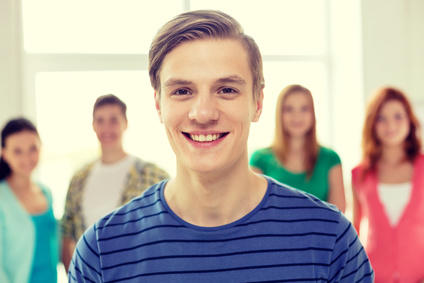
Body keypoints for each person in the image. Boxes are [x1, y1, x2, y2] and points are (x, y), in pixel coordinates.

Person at [68, 10, 373, 282]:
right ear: (158, 104)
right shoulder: (101, 253)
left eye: (226, 89)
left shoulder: (331, 240)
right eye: (182, 91)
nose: (203, 113)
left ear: (258, 102)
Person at [61, 94, 169, 271]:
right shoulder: (79, 179)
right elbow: (68, 235)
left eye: (113, 120)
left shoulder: (152, 175)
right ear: (93, 126)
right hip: (91, 275)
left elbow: (166, 232)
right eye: (100, 121)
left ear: (125, 123)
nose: (106, 128)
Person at [352, 87, 424, 283]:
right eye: (381, 118)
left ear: (410, 120)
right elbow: (355, 231)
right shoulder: (359, 174)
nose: (390, 124)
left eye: (398, 116)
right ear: (372, 124)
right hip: (372, 276)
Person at [250, 84, 346, 212]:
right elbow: (254, 212)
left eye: (304, 108)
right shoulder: (259, 159)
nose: (297, 116)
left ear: (313, 113)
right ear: (279, 114)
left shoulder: (330, 158)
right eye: (289, 109)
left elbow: (338, 217)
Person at [0, 118, 59, 283]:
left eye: (32, 148)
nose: (27, 156)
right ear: (4, 153)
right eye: (17, 151)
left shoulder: (46, 192)